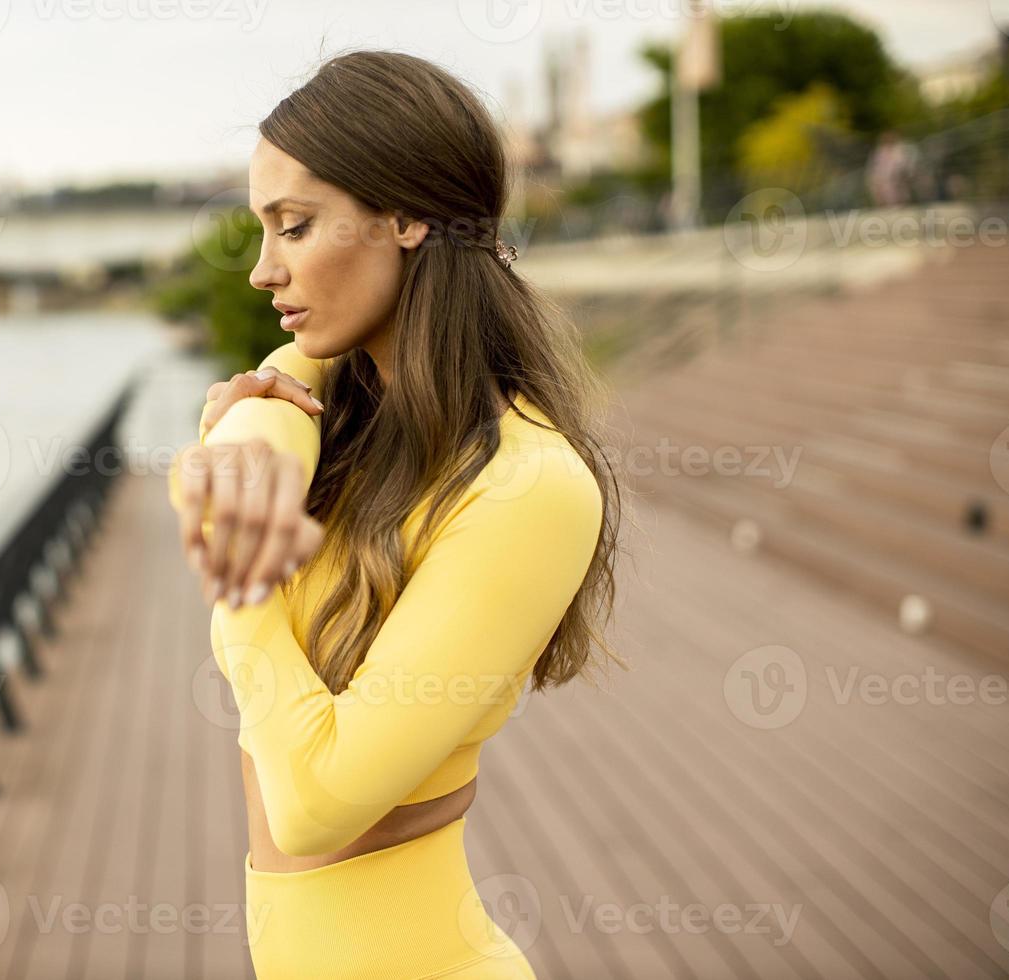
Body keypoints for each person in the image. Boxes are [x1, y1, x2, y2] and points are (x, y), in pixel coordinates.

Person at [167, 49, 624, 979]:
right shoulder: (331, 403)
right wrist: (247, 437)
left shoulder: (527, 485)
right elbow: (204, 475)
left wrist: (243, 579)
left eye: (293, 226)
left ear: (409, 217)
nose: (261, 271)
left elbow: (316, 803)